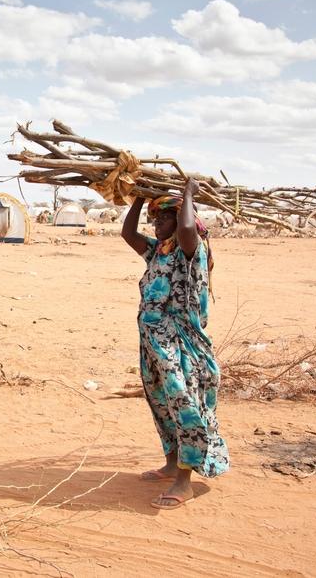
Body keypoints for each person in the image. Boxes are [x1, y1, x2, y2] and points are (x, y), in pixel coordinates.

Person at [121, 178, 228, 510]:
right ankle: (171, 463)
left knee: (185, 405)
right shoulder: (158, 252)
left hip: (182, 344)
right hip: (154, 342)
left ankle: (185, 482)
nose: (157, 224)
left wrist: (188, 195)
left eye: (164, 218)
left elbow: (185, 229)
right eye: (156, 219)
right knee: (161, 402)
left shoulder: (189, 253)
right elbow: (127, 234)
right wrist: (139, 199)